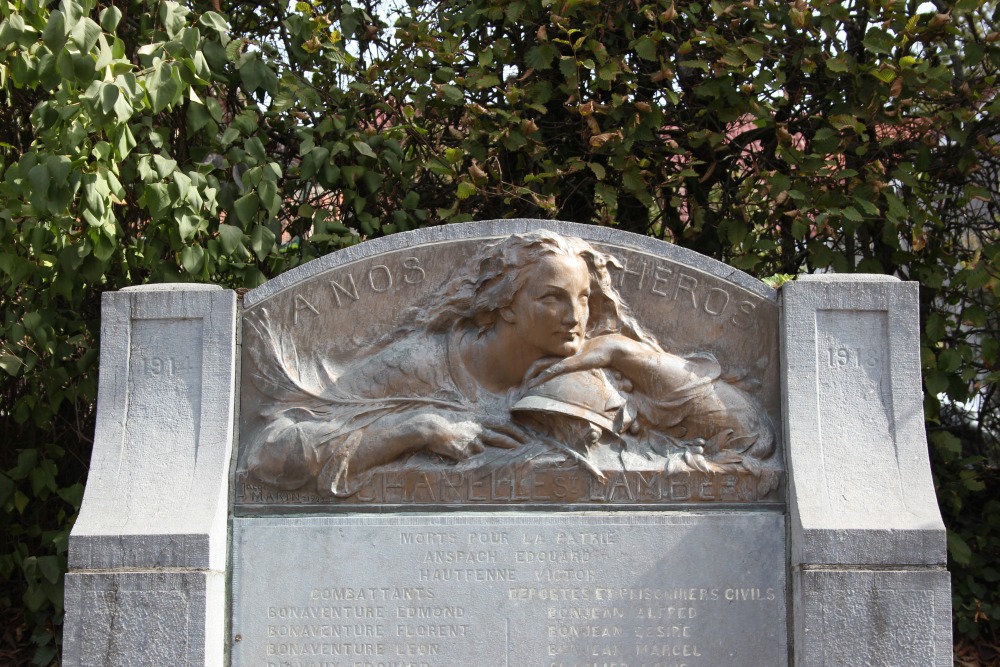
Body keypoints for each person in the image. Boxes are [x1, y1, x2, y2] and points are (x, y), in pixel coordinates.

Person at [243, 230, 773, 497]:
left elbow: (752, 439)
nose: (577, 317)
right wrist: (416, 429)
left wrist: (625, 352)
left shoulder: (599, 374)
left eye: (584, 298)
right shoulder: (420, 365)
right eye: (553, 299)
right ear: (504, 304)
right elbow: (270, 453)